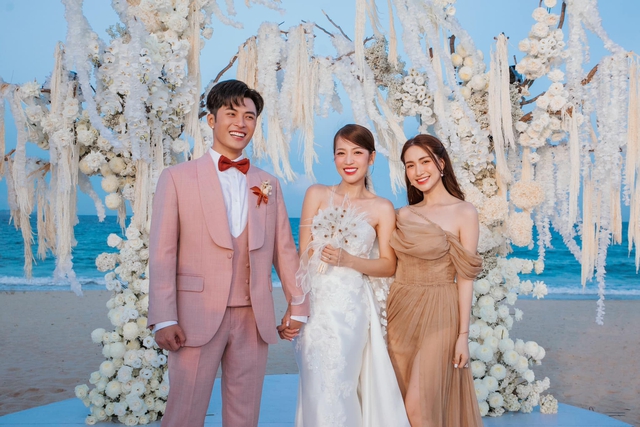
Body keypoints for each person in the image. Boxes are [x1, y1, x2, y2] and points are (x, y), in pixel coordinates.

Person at [148, 79, 309, 427]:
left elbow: (284, 250)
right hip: (194, 316)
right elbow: (162, 252)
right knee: (184, 412)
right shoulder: (177, 177)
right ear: (211, 119)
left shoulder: (267, 183)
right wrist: (164, 317)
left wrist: (298, 305)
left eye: (249, 116)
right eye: (231, 114)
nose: (241, 123)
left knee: (244, 413)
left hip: (254, 316)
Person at [293, 124, 410, 427]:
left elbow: (388, 265)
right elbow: (302, 255)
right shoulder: (317, 194)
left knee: (341, 383)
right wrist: (297, 305)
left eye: (357, 152)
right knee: (315, 385)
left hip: (351, 309)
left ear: (371, 158)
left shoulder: (382, 208)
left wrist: (349, 259)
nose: (348, 160)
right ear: (333, 158)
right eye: (341, 153)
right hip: (317, 308)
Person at [387, 134, 483, 427]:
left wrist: (463, 336)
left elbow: (465, 278)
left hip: (440, 312)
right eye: (410, 165)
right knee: (399, 403)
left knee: (418, 407)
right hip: (399, 311)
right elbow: (387, 265)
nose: (418, 171)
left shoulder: (464, 212)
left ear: (441, 163)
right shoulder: (402, 215)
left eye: (425, 161)